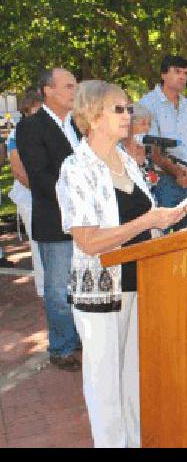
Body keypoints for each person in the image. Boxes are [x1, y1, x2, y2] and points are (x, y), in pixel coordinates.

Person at [55, 79, 187, 447]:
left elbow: (154, 218)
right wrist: (147, 221)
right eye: (119, 109)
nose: (129, 115)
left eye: (128, 108)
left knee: (133, 380)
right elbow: (89, 241)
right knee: (105, 385)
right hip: (100, 292)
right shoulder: (76, 168)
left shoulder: (126, 158)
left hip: (140, 280)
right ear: (93, 117)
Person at [16, 68, 82, 371]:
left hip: (86, 222)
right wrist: (82, 192)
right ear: (48, 90)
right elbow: (41, 179)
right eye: (69, 86)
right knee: (58, 291)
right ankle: (62, 347)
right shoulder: (31, 127)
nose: (75, 91)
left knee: (82, 284)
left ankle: (80, 338)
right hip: (56, 221)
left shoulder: (79, 126)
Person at [139, 55, 187, 230]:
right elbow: (153, 149)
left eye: (185, 73)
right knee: (164, 239)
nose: (183, 77)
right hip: (163, 181)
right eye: (177, 72)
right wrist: (178, 173)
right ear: (163, 74)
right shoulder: (147, 103)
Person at [8, 89, 44, 285]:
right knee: (39, 248)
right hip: (31, 199)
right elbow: (19, 171)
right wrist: (45, 192)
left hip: (44, 197)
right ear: (27, 111)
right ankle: (44, 292)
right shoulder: (17, 133)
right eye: (37, 110)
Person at [121, 103, 159, 190]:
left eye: (149, 124)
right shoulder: (118, 150)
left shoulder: (148, 151)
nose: (147, 128)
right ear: (129, 125)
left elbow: (152, 185)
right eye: (143, 124)